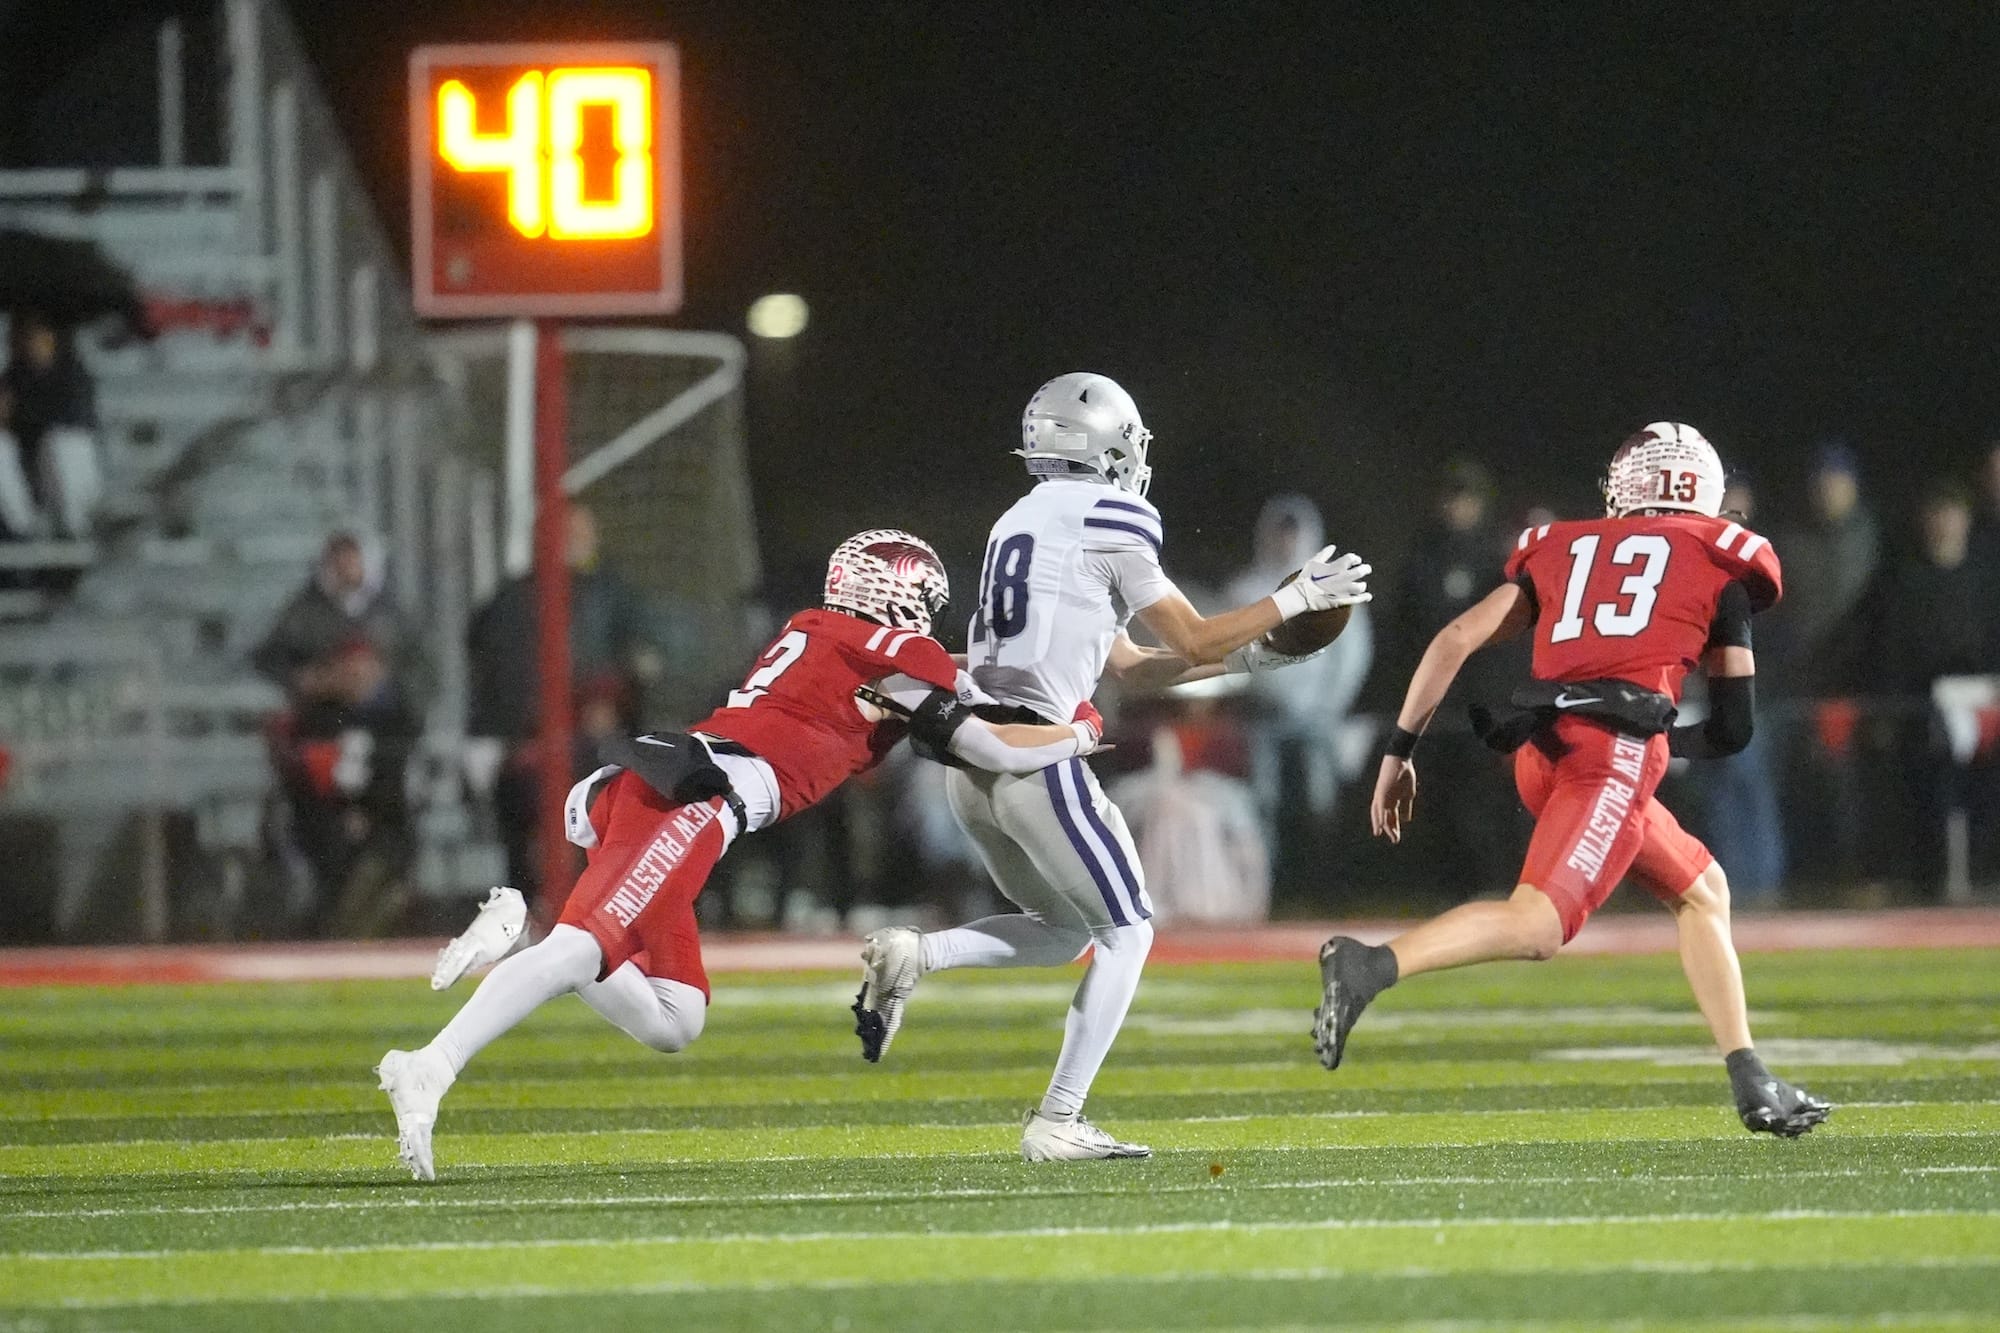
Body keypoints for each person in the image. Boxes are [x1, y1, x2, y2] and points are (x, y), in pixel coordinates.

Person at [377, 529, 1117, 1181]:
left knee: (674, 1017)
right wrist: (1081, 729)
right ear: (898, 592)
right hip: (694, 797)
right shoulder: (893, 652)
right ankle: (430, 1064)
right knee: (584, 949)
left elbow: (938, 681)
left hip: (665, 783)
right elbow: (983, 736)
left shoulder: (819, 628)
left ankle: (526, 934)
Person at [851, 373, 1372, 1161]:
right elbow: (1194, 637)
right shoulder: (1113, 513)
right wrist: (1290, 598)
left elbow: (1127, 663)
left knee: (1067, 932)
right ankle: (1058, 1118)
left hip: (972, 767)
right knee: (1128, 932)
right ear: (1101, 446)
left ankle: (917, 953)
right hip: (1037, 756)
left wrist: (1256, 656)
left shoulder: (1017, 520)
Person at [1315, 422, 1830, 1138]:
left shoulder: (1560, 545)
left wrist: (1398, 753)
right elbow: (1731, 731)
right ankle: (1370, 964)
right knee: (1538, 925)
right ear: (1701, 488)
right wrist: (1651, 728)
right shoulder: (1723, 560)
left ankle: (1751, 1077)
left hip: (1542, 747)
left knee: (1703, 889)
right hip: (1610, 758)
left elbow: (1453, 639)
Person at [1222, 494, 1374, 850]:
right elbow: (1226, 652)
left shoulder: (1335, 589)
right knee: (1264, 799)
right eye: (1279, 531)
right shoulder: (1243, 590)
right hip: (1260, 715)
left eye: (1293, 532)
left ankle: (1321, 879)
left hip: (1318, 718)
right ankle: (1270, 877)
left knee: (1319, 800)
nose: (1285, 540)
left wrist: (1329, 704)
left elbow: (1354, 655)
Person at [0, 310, 99, 540]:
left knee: (59, 445)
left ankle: (76, 529)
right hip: (27, 464)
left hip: (69, 460)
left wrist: (16, 412)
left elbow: (70, 418)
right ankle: (21, 529)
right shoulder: (14, 376)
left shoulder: (71, 373)